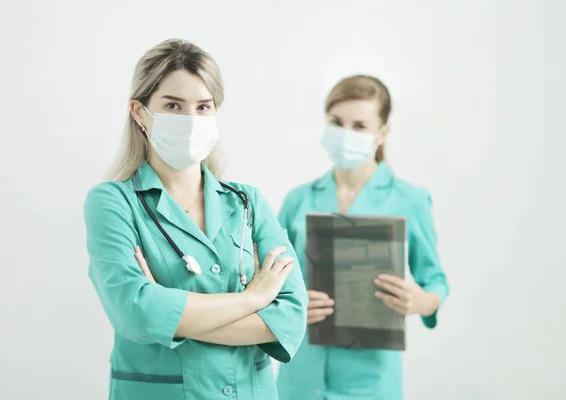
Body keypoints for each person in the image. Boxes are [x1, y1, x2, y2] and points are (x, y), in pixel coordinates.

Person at [83, 38, 308, 400]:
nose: (190, 120)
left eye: (203, 107)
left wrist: (169, 311)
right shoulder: (112, 203)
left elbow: (292, 316)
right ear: (140, 113)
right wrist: (252, 300)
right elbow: (135, 315)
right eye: (173, 105)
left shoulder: (248, 202)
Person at [275, 75, 450, 400]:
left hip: (369, 384)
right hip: (299, 379)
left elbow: (435, 280)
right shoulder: (298, 199)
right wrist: (289, 302)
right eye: (337, 122)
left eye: (359, 126)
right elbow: (267, 278)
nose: (346, 134)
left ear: (382, 134)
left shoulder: (409, 200)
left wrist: (423, 301)